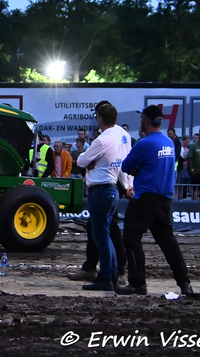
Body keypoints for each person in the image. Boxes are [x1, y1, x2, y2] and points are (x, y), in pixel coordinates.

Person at [116, 105, 194, 296]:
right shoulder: (168, 143)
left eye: (142, 118)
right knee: (168, 242)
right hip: (164, 199)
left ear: (146, 121)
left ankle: (137, 282)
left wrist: (137, 169)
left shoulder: (144, 143)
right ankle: (184, 283)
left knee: (131, 237)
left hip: (145, 198)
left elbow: (126, 166)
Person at [76, 101, 132, 291]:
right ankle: (113, 273)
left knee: (102, 236)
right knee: (107, 234)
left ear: (100, 118)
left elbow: (82, 160)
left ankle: (106, 276)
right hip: (112, 189)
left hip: (100, 190)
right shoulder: (119, 137)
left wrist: (91, 159)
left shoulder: (102, 140)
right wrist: (127, 184)